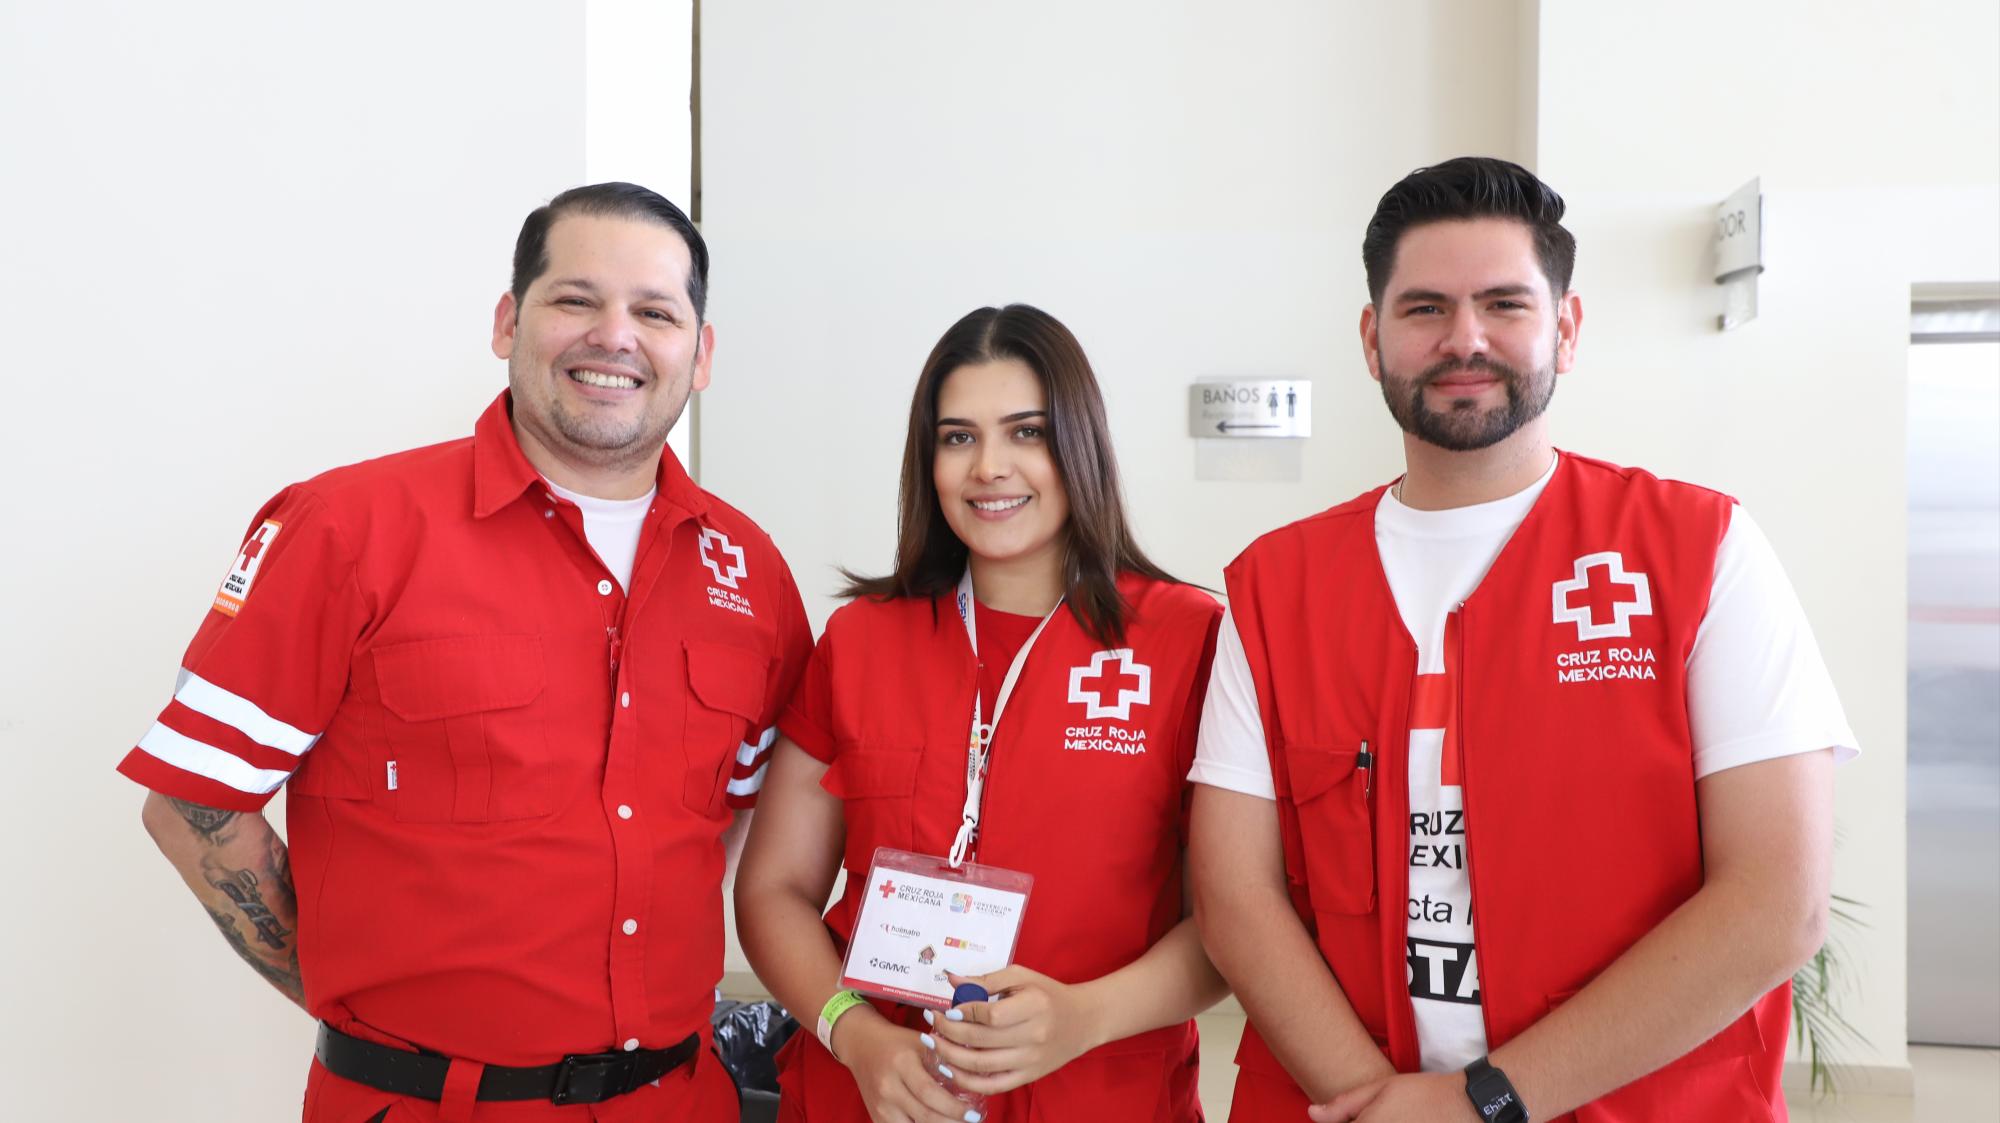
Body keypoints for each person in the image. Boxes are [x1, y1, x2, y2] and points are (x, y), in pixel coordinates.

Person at [120, 182, 812, 1123]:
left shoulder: (752, 574)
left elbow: (719, 830)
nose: (616, 335)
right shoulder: (347, 529)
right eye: (576, 298)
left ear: (700, 355)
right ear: (506, 321)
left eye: (655, 311)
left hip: (676, 1102)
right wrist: (370, 1013)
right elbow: (193, 803)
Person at [1188, 157, 1857, 1122]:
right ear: (1373, 341)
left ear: (1567, 328)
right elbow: (1235, 896)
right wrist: (1381, 1106)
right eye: (1424, 309)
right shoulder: (1277, 586)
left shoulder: (1698, 551)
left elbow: (1776, 900)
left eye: (1504, 303)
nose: (1465, 338)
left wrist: (1486, 1104)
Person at [734, 305, 1227, 1123]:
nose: (989, 467)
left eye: (1026, 432)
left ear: (1078, 445)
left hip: (1100, 1094)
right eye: (958, 437)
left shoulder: (1186, 640)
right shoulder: (860, 641)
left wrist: (1083, 1017)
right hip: (879, 1093)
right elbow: (775, 887)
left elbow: (1235, 922)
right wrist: (854, 1036)